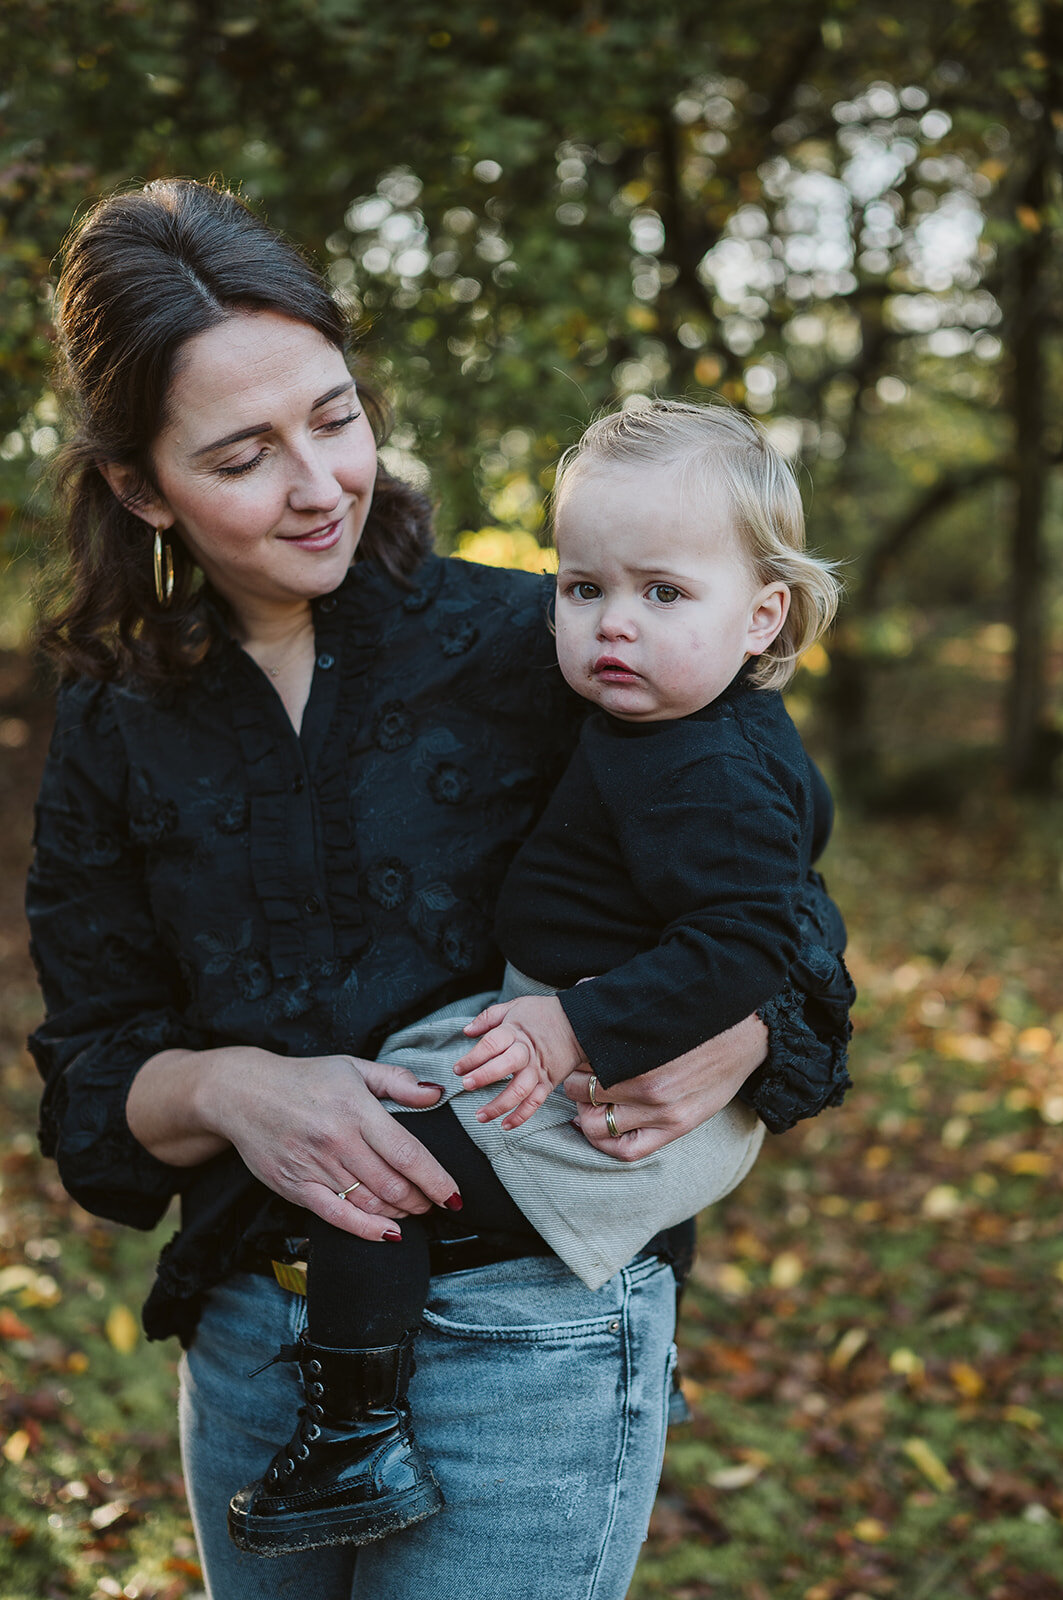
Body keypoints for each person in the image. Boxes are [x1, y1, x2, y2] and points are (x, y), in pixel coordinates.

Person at [26, 178, 852, 1600]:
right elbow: (92, 1081)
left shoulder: (539, 639)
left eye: (335, 417)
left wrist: (752, 1025)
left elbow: (778, 907)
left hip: (529, 1347)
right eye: (242, 455)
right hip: (251, 1347)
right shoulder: (113, 716)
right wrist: (230, 1089)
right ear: (139, 485)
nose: (319, 483)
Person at [232, 398, 854, 1558]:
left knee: (380, 1171)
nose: (613, 625)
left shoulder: (705, 762)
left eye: (662, 593)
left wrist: (581, 1029)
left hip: (616, 1066)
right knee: (389, 1097)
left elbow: (756, 934)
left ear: (763, 612)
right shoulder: (688, 712)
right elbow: (799, 844)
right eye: (582, 589)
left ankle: (353, 1439)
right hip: (565, 1018)